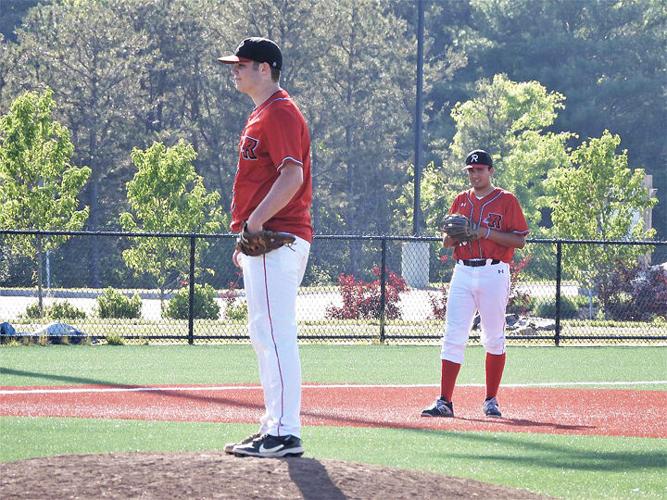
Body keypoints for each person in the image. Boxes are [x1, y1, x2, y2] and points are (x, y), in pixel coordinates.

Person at [217, 37, 313, 457]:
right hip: (263, 240)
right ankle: (273, 425)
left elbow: (291, 178)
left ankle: (285, 432)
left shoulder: (280, 112)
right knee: (264, 336)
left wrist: (255, 222)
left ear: (266, 68)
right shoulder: (263, 113)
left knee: (276, 336)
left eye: (243, 63)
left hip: (278, 236)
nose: (235, 70)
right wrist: (245, 232)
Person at [421, 149, 528, 418]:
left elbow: (519, 240)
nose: (475, 174)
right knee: (453, 335)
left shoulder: (506, 200)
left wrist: (484, 232)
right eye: (471, 170)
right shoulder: (460, 200)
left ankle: (491, 399)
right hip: (463, 272)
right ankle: (444, 401)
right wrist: (457, 234)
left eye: (480, 169)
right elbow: (446, 242)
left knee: (493, 336)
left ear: (491, 171)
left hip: (494, 272)